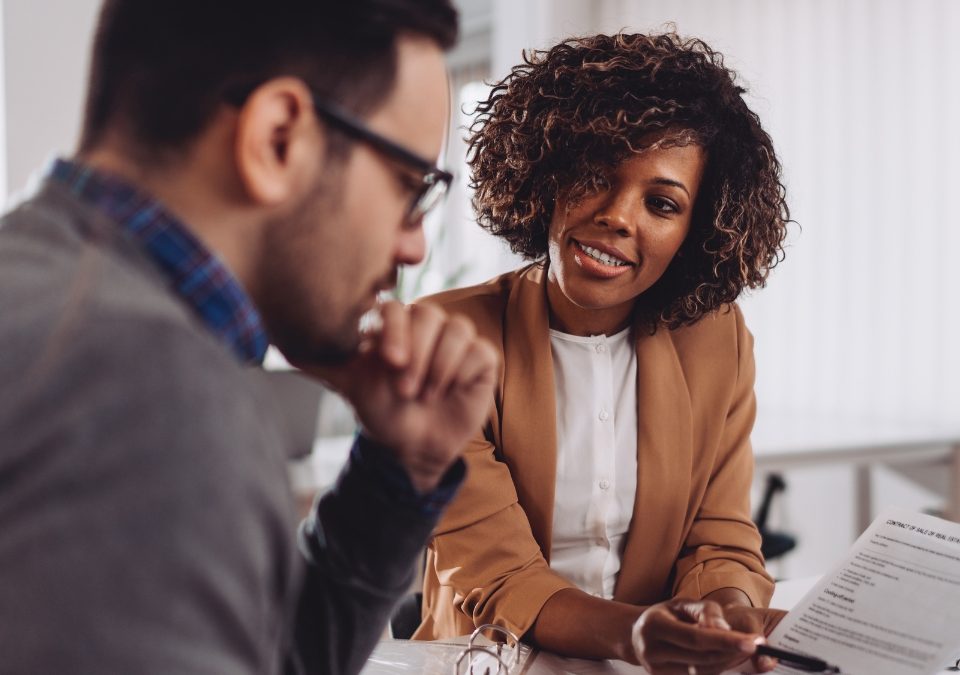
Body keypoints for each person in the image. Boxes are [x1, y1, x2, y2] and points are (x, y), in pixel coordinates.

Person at [0, 1, 499, 674]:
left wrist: (396, 474)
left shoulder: (41, 288)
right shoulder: (156, 396)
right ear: (277, 138)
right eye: (409, 187)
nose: (413, 246)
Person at [413, 32, 790, 674]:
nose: (618, 216)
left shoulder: (717, 340)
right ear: (549, 172)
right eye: (596, 175)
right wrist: (640, 634)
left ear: (696, 231)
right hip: (488, 661)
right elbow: (501, 576)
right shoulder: (444, 340)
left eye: (662, 204)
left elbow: (720, 541)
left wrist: (724, 617)